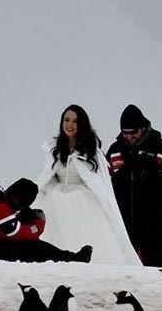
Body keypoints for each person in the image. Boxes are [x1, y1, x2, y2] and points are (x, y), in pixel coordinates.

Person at [34, 105, 140, 265]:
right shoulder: (53, 149)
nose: (69, 124)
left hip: (83, 198)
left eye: (74, 121)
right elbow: (47, 175)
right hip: (57, 196)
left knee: (78, 206)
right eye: (66, 120)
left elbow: (98, 182)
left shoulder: (91, 152)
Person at [106, 104, 162, 266]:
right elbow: (104, 184)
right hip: (124, 222)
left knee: (155, 267)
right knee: (124, 267)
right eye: (125, 133)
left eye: (133, 132)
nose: (129, 137)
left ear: (143, 128)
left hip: (156, 224)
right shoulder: (115, 151)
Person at [0, 178, 93, 263]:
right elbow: (21, 234)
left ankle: (69, 258)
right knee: (30, 247)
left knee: (25, 245)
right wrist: (38, 224)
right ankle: (72, 259)